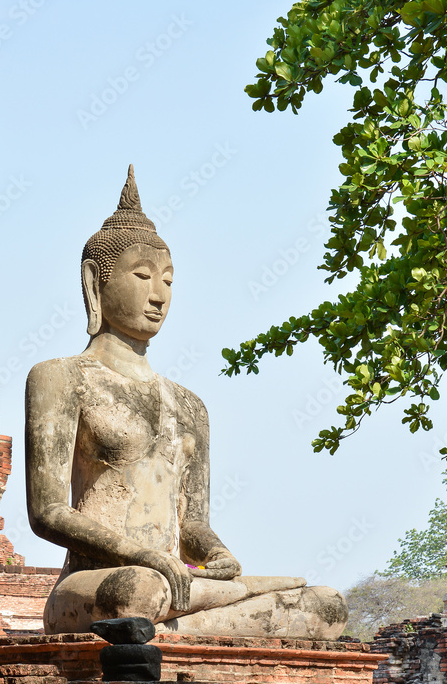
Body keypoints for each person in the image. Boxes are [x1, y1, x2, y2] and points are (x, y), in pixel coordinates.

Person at [26, 166, 348, 638]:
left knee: (325, 607)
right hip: (99, 584)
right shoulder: (61, 378)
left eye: (169, 281)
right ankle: (189, 615)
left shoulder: (189, 406)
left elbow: (191, 524)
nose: (158, 296)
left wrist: (217, 555)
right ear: (95, 282)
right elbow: (49, 513)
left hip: (176, 585)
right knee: (137, 591)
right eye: (142, 276)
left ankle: (189, 617)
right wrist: (145, 556)